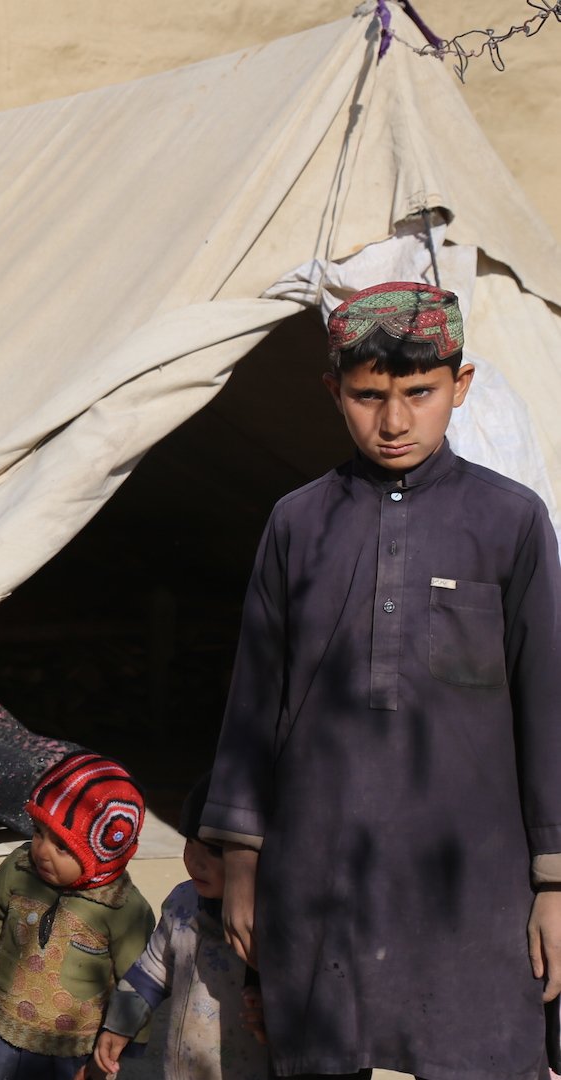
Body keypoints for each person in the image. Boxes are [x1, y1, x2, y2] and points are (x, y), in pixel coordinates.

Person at [202, 281, 561, 1080]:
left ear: (459, 387)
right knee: (324, 1053)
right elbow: (256, 699)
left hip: (472, 876)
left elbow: (548, 708)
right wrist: (242, 865)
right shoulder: (298, 523)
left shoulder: (511, 521)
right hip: (323, 865)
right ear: (335, 392)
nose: (393, 422)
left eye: (418, 394)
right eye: (368, 397)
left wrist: (554, 881)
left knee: (483, 1055)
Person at [0, 752, 153, 1080]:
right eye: (38, 832)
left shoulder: (124, 910)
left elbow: (139, 982)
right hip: (6, 1037)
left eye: (62, 846)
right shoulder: (19, 868)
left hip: (74, 1055)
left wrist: (111, 1047)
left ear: (102, 853)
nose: (41, 850)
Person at [94, 772, 269, 1080]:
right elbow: (152, 971)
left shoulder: (268, 924)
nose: (194, 860)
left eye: (215, 850)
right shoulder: (182, 902)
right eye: (189, 840)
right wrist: (119, 1025)